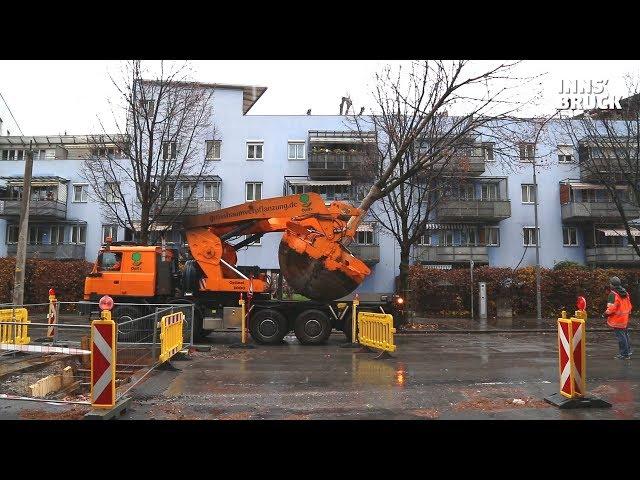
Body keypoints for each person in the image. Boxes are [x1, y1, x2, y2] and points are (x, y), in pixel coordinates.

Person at [604, 276, 632, 360]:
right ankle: (628, 351)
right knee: (625, 335)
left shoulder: (613, 294)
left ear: (612, 285)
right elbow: (629, 305)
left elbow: (611, 308)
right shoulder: (625, 293)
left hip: (617, 319)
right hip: (625, 318)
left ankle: (624, 354)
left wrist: (605, 314)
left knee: (621, 337)